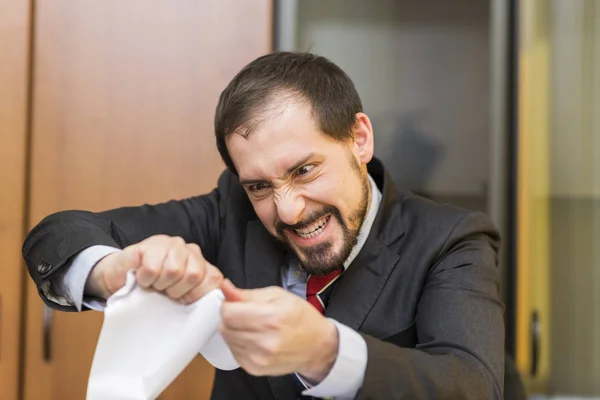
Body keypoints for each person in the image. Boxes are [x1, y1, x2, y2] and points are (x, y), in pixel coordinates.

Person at [22, 52, 504, 399]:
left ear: (359, 138)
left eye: (304, 171)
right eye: (259, 187)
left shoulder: (450, 239)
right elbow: (58, 234)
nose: (289, 211)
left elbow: (472, 385)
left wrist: (324, 352)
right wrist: (114, 272)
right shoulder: (228, 211)